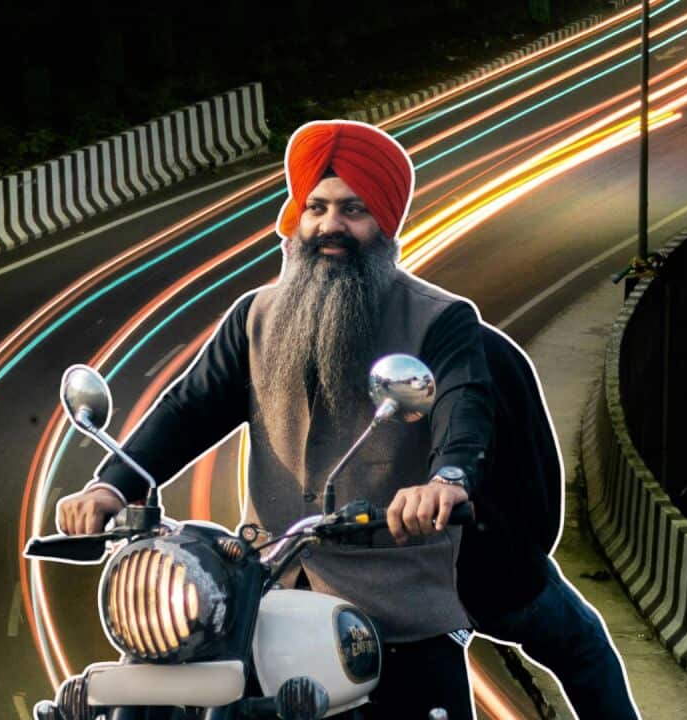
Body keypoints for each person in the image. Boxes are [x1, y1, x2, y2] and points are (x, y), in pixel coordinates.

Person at [55, 120, 492, 720]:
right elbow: (188, 409)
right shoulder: (255, 317)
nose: (329, 226)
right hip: (265, 592)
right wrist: (112, 484)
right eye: (315, 207)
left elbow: (462, 406)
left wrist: (446, 481)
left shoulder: (439, 320)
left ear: (385, 221)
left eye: (353, 209)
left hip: (395, 601)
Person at [460, 324, 640, 720]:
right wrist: (528, 551)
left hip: (374, 573)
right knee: (586, 648)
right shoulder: (485, 349)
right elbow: (539, 471)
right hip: (491, 573)